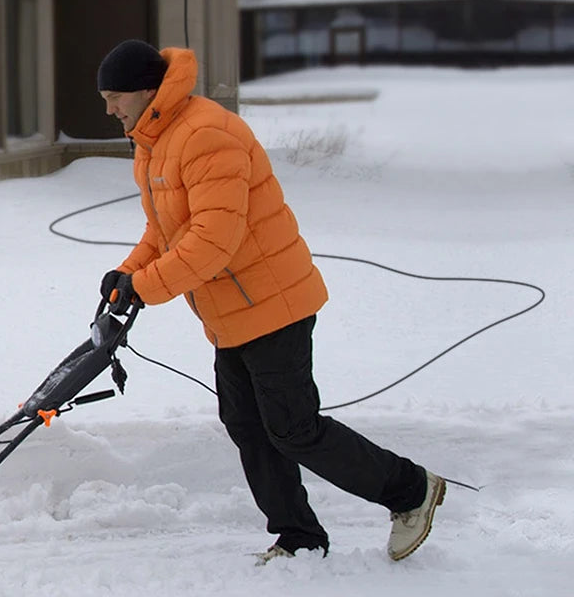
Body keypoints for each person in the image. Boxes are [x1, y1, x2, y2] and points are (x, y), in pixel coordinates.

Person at [93, 39, 445, 564]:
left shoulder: (206, 134)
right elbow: (167, 227)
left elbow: (214, 241)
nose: (110, 109)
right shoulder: (155, 141)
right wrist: (129, 270)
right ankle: (299, 536)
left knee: (294, 430)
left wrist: (145, 287)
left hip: (272, 303)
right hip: (230, 311)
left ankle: (412, 491)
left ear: (147, 90)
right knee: (249, 426)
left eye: (115, 96)